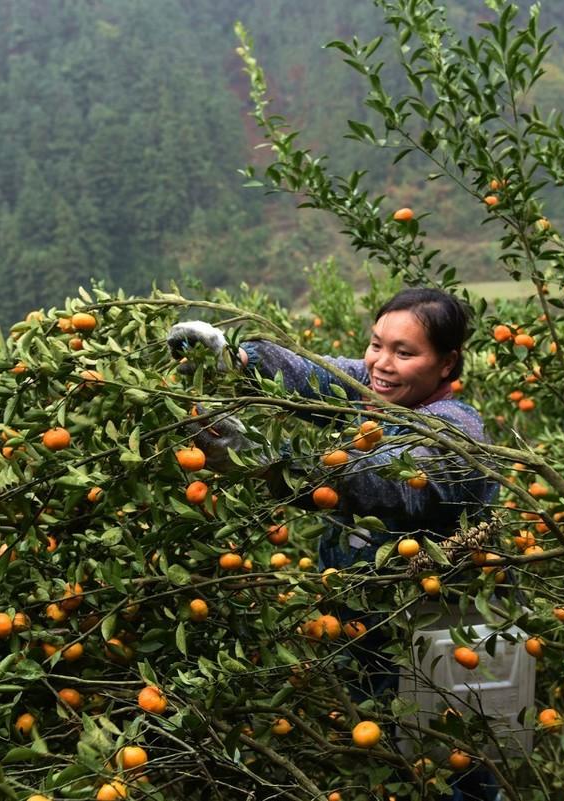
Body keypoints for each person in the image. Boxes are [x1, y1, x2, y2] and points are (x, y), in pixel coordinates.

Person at [167, 287, 503, 801]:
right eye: (376, 345)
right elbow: (313, 373)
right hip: (369, 628)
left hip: (447, 641)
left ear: (446, 363)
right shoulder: (375, 389)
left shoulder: (457, 434)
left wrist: (262, 457)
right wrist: (234, 356)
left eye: (404, 352)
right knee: (391, 764)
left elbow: (382, 480)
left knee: (456, 770)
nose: (381, 364)